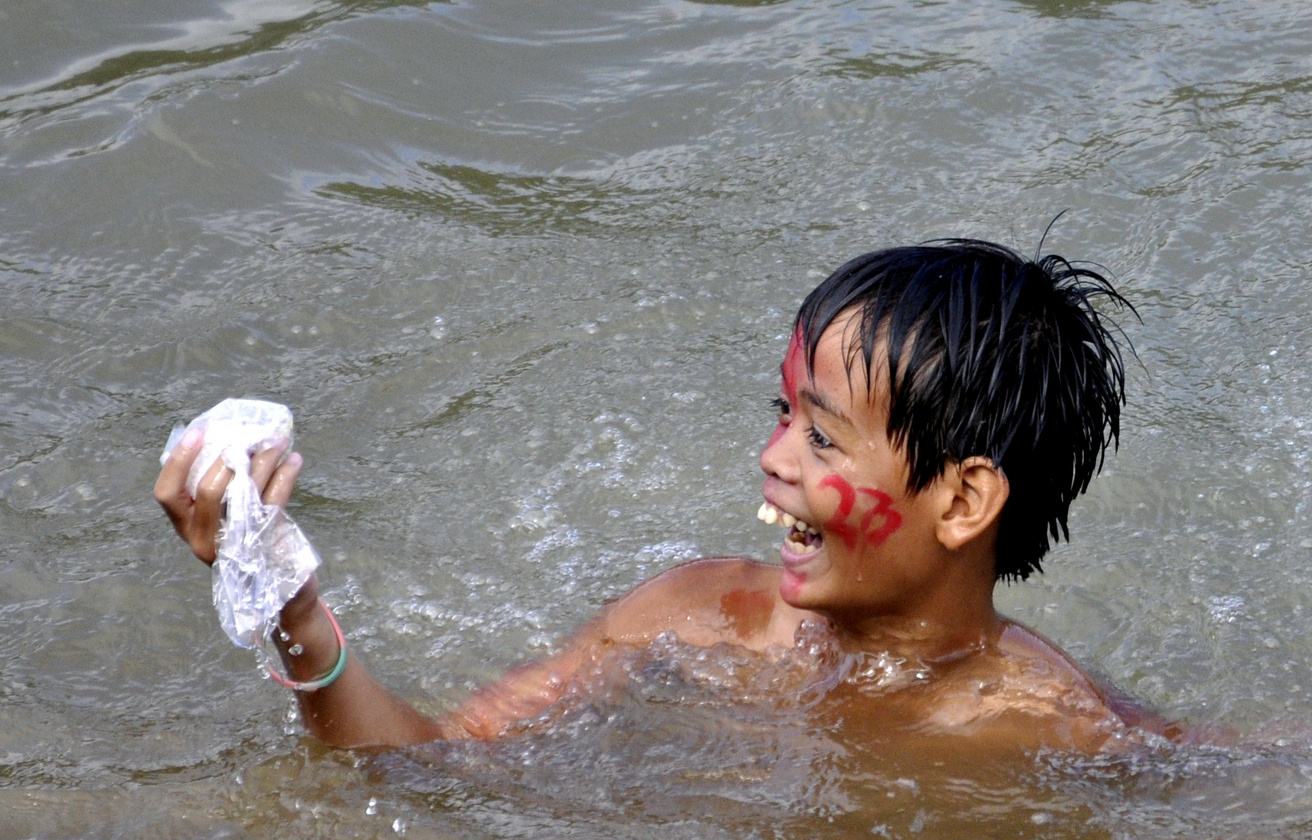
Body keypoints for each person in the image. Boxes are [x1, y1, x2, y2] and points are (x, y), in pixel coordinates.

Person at [156, 238, 1172, 753]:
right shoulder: (694, 614)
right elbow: (429, 774)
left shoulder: (1047, 729)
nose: (774, 456)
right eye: (780, 413)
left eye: (820, 433)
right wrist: (287, 602)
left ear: (963, 503)